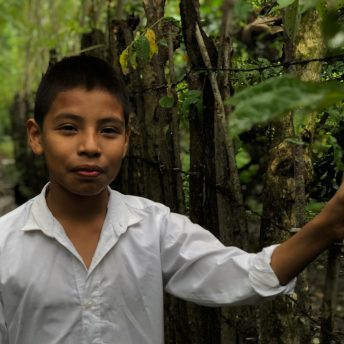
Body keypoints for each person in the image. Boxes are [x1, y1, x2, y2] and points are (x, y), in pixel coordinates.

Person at [0, 54, 343, 344]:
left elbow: (244, 275)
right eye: (69, 128)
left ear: (127, 140)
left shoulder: (153, 228)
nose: (90, 146)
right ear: (36, 136)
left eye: (108, 130)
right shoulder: (5, 244)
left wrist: (329, 224)